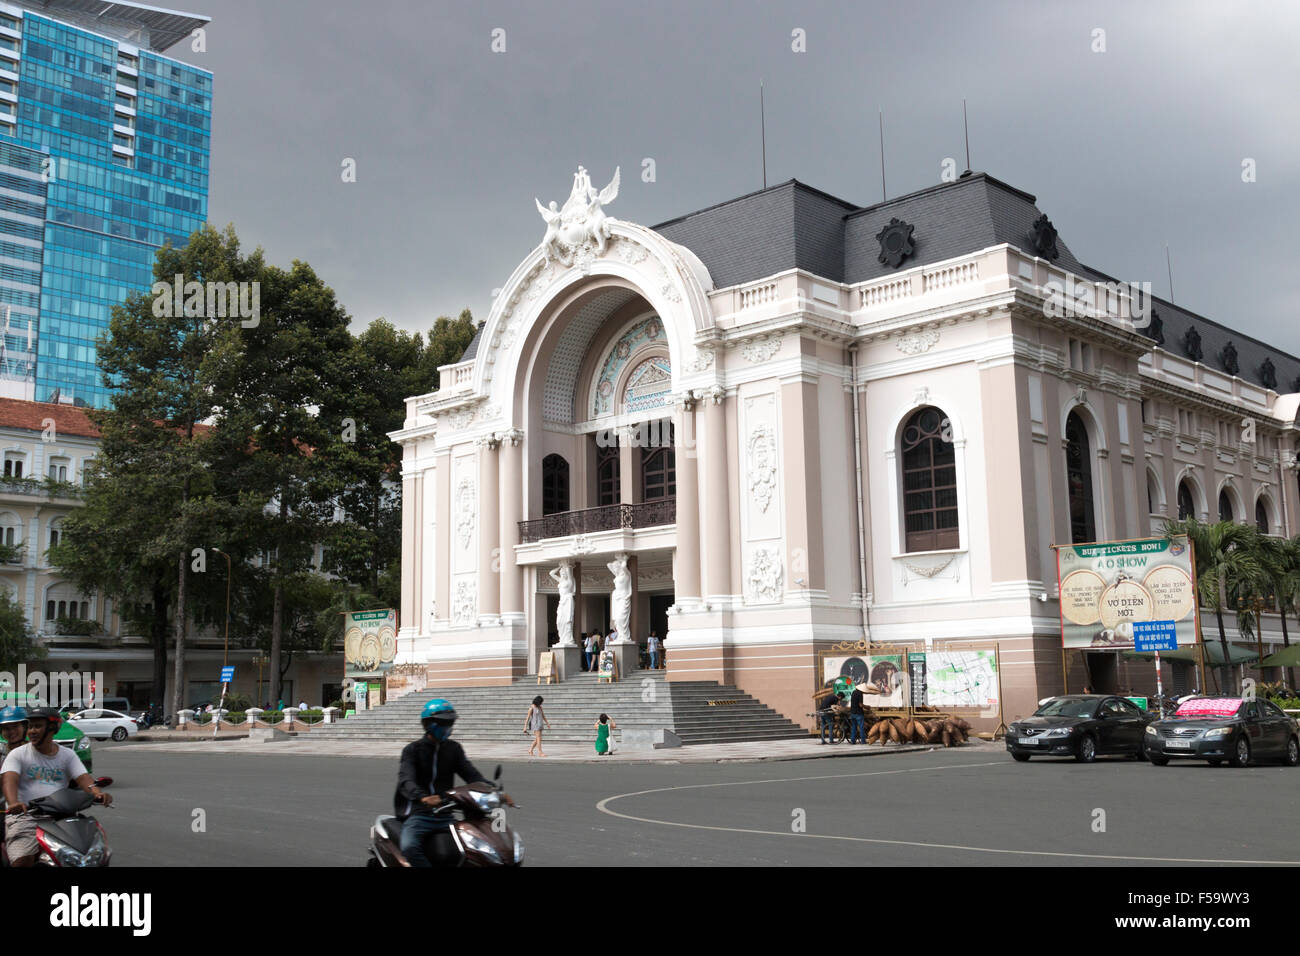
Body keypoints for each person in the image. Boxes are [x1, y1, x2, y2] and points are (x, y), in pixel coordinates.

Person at [394, 699, 512, 868]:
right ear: (428, 723)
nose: (447, 727)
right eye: (443, 723)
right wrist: (423, 798)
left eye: (450, 723)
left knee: (471, 848)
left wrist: (495, 792)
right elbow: (406, 780)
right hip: (420, 814)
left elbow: (472, 775)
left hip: (445, 814)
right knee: (409, 847)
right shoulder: (412, 750)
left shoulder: (453, 749)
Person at [2, 707, 111, 867]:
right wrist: (13, 803)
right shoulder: (18, 754)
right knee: (22, 859)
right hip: (25, 817)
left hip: (62, 817)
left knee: (92, 851)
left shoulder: (67, 755)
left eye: (37, 726)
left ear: (53, 728)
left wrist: (97, 793)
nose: (32, 731)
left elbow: (83, 778)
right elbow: (9, 780)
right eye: (30, 726)